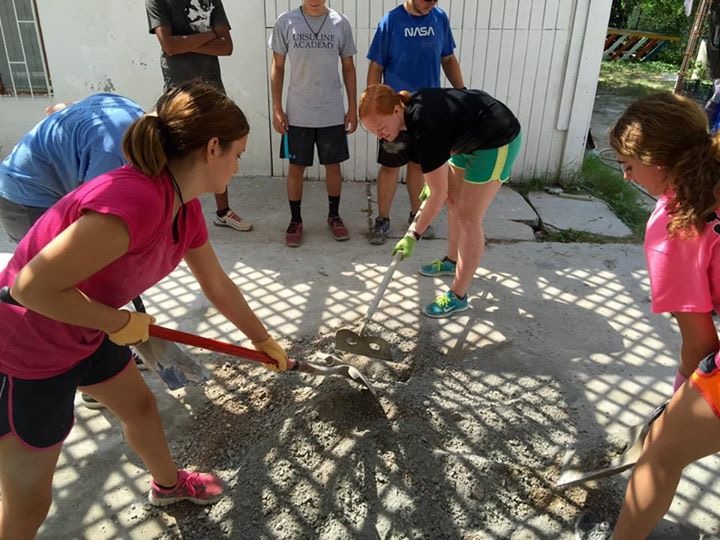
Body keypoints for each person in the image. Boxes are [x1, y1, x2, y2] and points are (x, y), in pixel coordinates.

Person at [0, 82, 289, 538]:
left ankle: (169, 487)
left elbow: (217, 284)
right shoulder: (134, 200)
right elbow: (29, 287)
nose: (238, 166)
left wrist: (261, 340)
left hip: (88, 328)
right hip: (30, 347)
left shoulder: (184, 207)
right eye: (237, 154)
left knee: (140, 408)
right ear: (213, 148)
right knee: (29, 498)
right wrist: (119, 322)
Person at [573, 92, 720, 540]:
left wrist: (681, 396)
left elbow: (700, 343)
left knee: (659, 451)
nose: (625, 174)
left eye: (628, 164)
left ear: (657, 159)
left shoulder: (674, 222)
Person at [359, 84, 521, 318]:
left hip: (496, 139)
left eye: (381, 128)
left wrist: (413, 235)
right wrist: (434, 184)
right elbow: (438, 168)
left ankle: (458, 296)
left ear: (396, 110)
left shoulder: (425, 123)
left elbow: (437, 194)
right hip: (467, 138)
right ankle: (452, 261)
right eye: (373, 132)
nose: (380, 135)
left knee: (468, 218)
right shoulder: (410, 119)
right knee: (453, 202)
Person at [145, 0, 252, 232]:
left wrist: (184, 43)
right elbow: (169, 46)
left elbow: (226, 47)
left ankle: (223, 212)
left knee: (218, 147)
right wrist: (209, 35)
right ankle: (173, 214)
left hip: (211, 89)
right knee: (175, 151)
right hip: (179, 93)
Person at [366, 0, 465, 245]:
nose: (431, 3)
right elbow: (375, 66)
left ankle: (416, 216)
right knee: (390, 166)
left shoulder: (439, 18)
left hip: (429, 113)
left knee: (419, 166)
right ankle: (382, 219)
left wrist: (462, 92)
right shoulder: (391, 22)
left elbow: (448, 59)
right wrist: (374, 107)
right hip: (395, 113)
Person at [269, 0, 357, 247]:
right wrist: (277, 107)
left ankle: (334, 216)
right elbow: (277, 66)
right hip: (298, 113)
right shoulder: (285, 22)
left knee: (333, 166)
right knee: (296, 168)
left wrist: (353, 109)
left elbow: (349, 68)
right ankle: (295, 220)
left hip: (331, 111)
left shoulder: (341, 23)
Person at [0, 94, 144, 243]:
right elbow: (94, 208)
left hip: (19, 182)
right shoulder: (113, 151)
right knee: (78, 258)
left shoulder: (127, 107)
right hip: (27, 201)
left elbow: (56, 108)